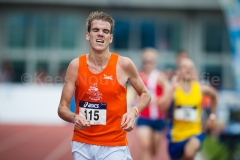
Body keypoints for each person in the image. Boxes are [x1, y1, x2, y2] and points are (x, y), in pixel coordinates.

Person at [57, 11, 151, 160]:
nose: (100, 34)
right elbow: (62, 108)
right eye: (96, 30)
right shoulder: (75, 66)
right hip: (82, 143)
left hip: (114, 145)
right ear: (88, 35)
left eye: (105, 31)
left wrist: (133, 112)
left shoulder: (124, 64)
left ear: (110, 38)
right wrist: (74, 117)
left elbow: (146, 94)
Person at [159, 58, 217, 160]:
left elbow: (214, 95)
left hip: (195, 133)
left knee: (189, 153)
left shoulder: (200, 88)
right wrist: (172, 88)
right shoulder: (173, 89)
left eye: (191, 68)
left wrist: (212, 116)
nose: (188, 70)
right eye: (185, 67)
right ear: (179, 71)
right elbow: (163, 109)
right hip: (176, 135)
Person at [135, 48, 167, 160]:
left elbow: (167, 95)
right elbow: (134, 95)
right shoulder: (139, 76)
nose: (147, 64)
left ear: (155, 62)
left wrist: (157, 100)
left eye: (150, 61)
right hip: (143, 116)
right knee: (145, 145)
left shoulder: (160, 76)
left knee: (154, 150)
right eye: (145, 61)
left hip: (158, 118)